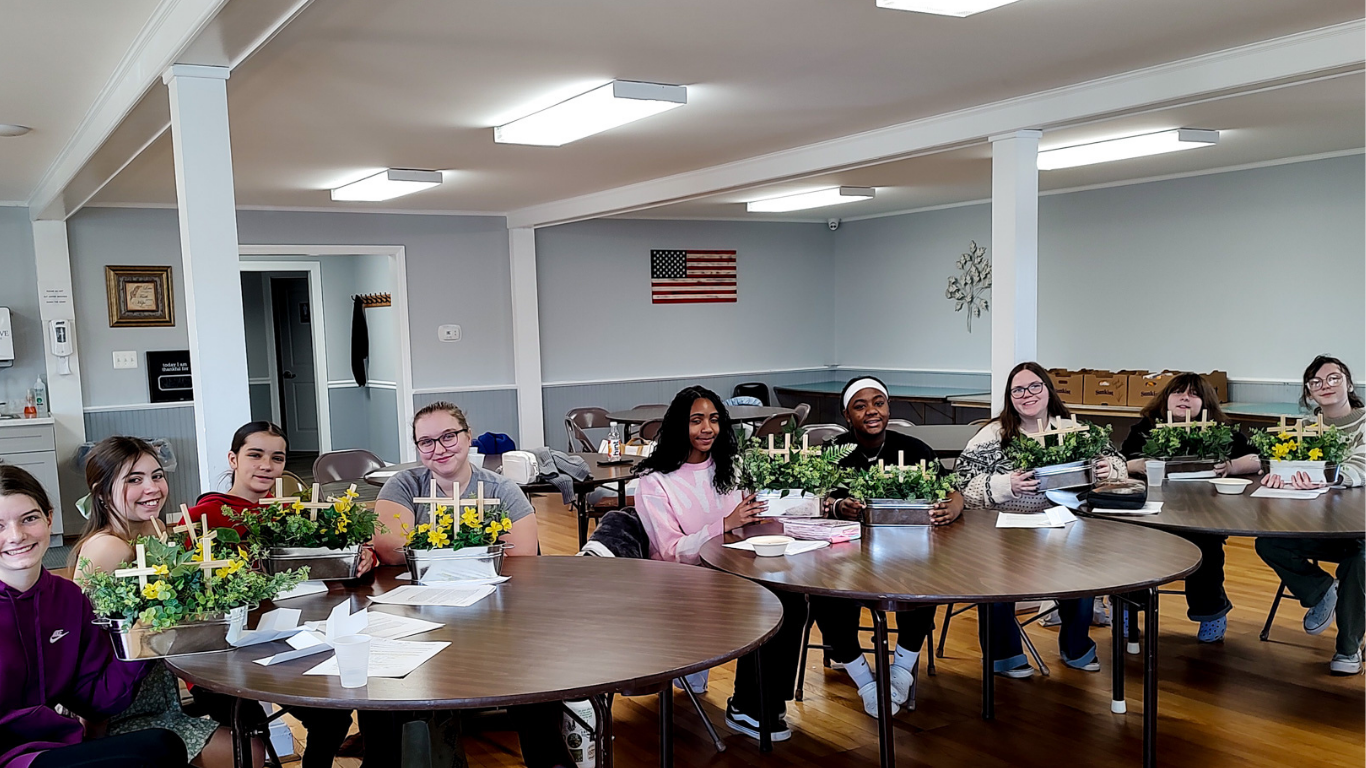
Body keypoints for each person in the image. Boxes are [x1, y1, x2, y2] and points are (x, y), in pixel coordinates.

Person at [373, 401, 572, 768]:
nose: (439, 448)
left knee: (533, 682)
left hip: (494, 619)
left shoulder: (501, 488)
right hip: (416, 617)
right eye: (427, 442)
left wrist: (429, 548)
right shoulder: (404, 484)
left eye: (448, 436)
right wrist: (470, 547)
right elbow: (388, 549)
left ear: (467, 437)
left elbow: (523, 556)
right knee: (381, 684)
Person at [185, 422, 362, 768]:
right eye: (255, 455)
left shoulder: (289, 516)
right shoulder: (202, 518)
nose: (267, 465)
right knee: (248, 722)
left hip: (284, 641)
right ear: (233, 459)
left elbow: (322, 576)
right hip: (222, 653)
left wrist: (355, 560)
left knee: (334, 715)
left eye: (277, 458)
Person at [634, 386, 805, 742]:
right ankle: (748, 706)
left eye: (714, 419)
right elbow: (669, 550)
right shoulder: (654, 482)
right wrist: (725, 524)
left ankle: (764, 702)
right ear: (680, 425)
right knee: (768, 604)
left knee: (792, 600)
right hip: (681, 584)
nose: (707, 429)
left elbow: (753, 524)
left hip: (736, 572)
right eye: (696, 420)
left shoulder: (731, 468)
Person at [71, 437, 246, 768]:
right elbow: (83, 643)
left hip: (158, 693)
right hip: (118, 708)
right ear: (102, 491)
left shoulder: (154, 534)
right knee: (245, 751)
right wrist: (92, 733)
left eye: (157, 475)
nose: (152, 487)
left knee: (247, 742)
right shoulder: (109, 547)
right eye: (134, 480)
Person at [0, 463, 190, 768]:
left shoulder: (68, 599)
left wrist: (144, 637)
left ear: (49, 518)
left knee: (163, 746)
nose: (16, 536)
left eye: (29, 519)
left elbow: (97, 699)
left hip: (49, 749)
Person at [956, 362, 1127, 677]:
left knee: (1082, 563)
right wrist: (1008, 485)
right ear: (1010, 397)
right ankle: (1003, 655)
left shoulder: (1075, 430)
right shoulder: (993, 435)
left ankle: (1077, 646)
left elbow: (1117, 462)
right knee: (990, 569)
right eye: (1018, 390)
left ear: (1048, 390)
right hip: (1004, 525)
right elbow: (962, 483)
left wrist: (1107, 469)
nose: (1027, 394)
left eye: (1034, 386)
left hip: (1065, 520)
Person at [811, 377, 963, 717]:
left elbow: (951, 491)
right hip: (843, 558)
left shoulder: (914, 449)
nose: (871, 411)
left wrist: (952, 507)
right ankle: (865, 680)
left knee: (928, 583)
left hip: (905, 553)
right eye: (860, 406)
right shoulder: (831, 453)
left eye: (878, 403)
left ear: (888, 408)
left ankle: (900, 672)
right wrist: (837, 507)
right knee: (823, 594)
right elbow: (811, 501)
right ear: (847, 415)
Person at [1119, 372, 1260, 642]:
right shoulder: (1146, 428)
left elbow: (1255, 460)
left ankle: (1211, 613)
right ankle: (1127, 610)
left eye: (1194, 394)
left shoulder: (1220, 430)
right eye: (1178, 393)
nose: (1185, 398)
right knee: (1133, 548)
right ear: (1166, 399)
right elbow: (1119, 463)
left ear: (1205, 403)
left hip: (1203, 513)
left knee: (1206, 551)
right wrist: (1135, 465)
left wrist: (1231, 466)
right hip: (1153, 512)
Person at [1255, 355, 1365, 675]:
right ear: (1309, 393)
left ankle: (1348, 647)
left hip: (1357, 529)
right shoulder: (1304, 428)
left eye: (1333, 378)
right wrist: (1278, 476)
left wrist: (1332, 478)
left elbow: (1361, 466)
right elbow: (1287, 465)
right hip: (1314, 525)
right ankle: (1320, 590)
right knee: (1268, 543)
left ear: (1348, 383)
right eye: (1316, 382)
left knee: (1360, 560)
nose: (1325, 386)